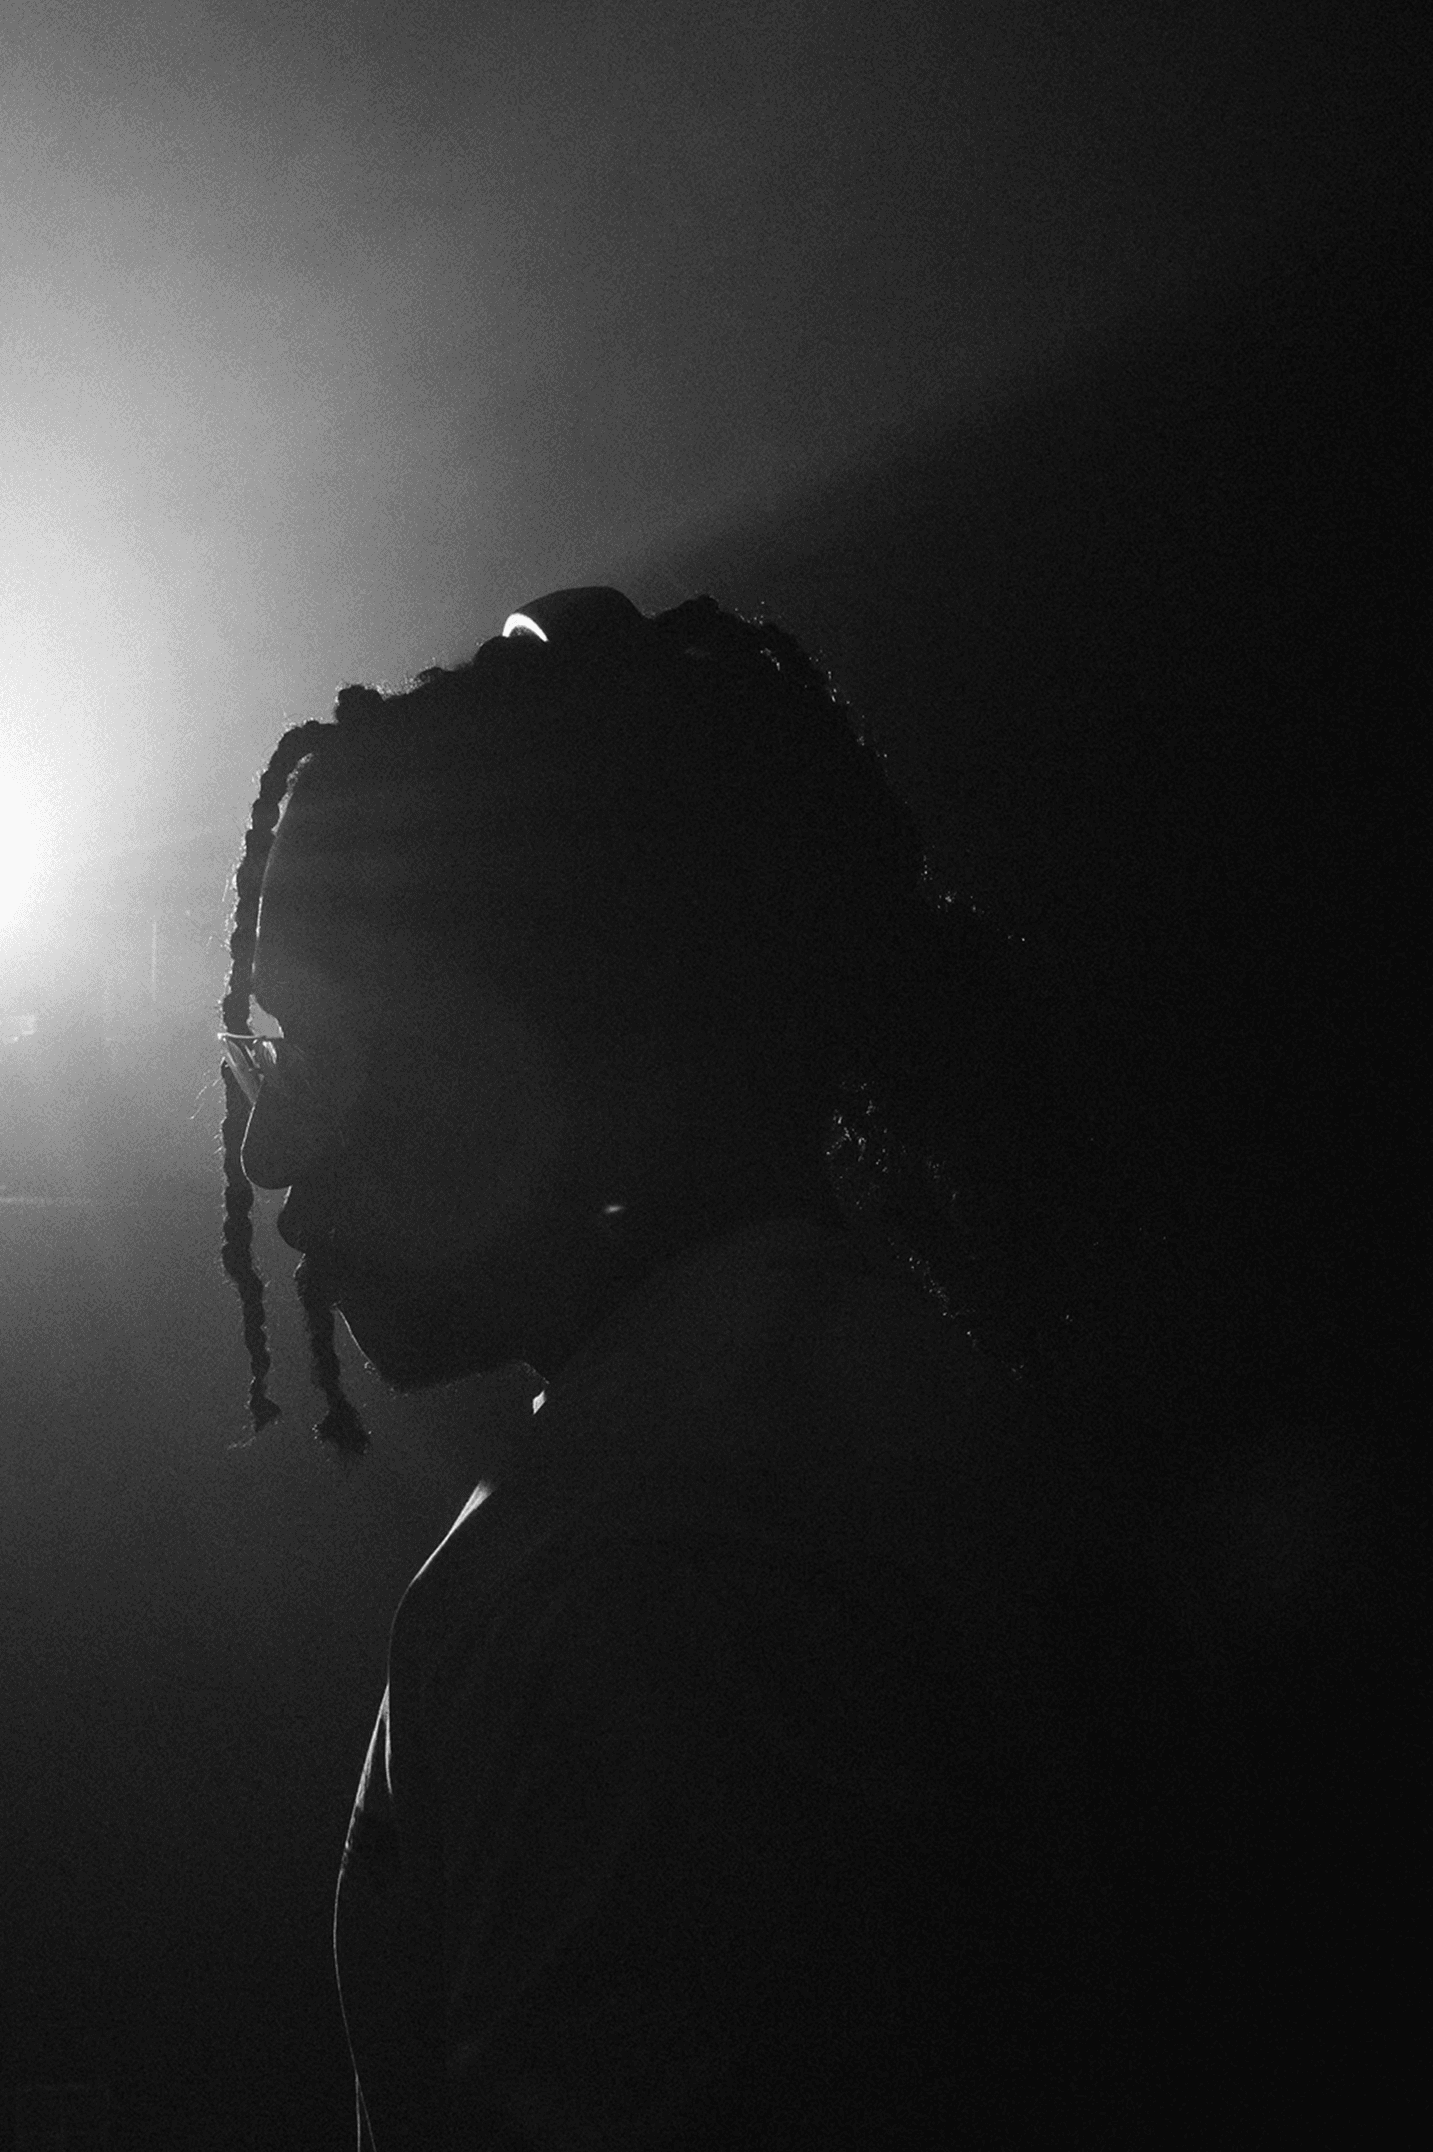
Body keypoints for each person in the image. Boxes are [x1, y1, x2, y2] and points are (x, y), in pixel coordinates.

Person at [215, 590, 1142, 2148]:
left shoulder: (641, 1572)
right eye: (273, 1053)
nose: (269, 1155)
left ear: (621, 1046)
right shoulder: (848, 1398)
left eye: (343, 1046)